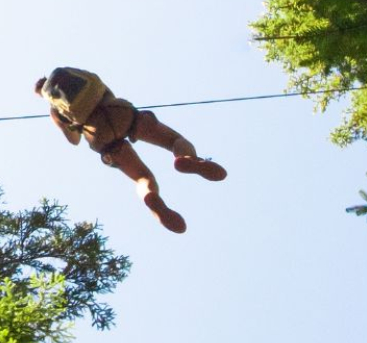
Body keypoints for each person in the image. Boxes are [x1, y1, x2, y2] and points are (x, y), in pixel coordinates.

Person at [36, 66, 227, 233]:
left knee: (143, 178)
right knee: (175, 140)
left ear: (45, 94)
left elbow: (74, 140)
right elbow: (103, 88)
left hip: (97, 133)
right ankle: (188, 158)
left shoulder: (55, 109)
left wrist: (64, 123)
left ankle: (151, 198)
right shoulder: (80, 76)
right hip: (119, 111)